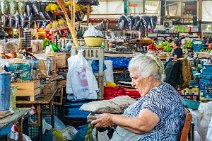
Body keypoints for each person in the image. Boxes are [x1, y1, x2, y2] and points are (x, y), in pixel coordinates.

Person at [91, 54, 186, 141]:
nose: (132, 83)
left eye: (135, 78)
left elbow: (142, 125)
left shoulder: (159, 96)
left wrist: (111, 118)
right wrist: (115, 121)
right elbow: (139, 128)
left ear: (149, 77)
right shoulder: (162, 89)